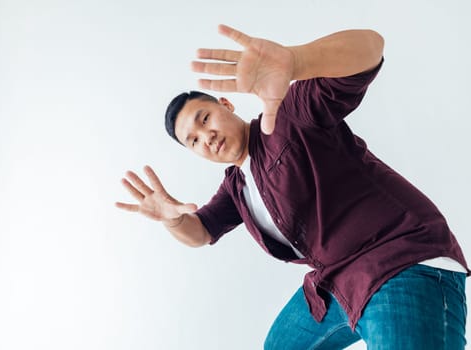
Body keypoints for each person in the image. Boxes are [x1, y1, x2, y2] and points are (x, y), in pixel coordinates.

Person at [116, 24, 469, 349]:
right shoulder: (237, 185)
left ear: (225, 104)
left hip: (400, 261)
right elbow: (201, 231)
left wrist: (297, 61)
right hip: (338, 283)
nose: (205, 138)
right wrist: (171, 220)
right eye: (193, 141)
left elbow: (370, 50)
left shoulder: (288, 118)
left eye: (204, 119)